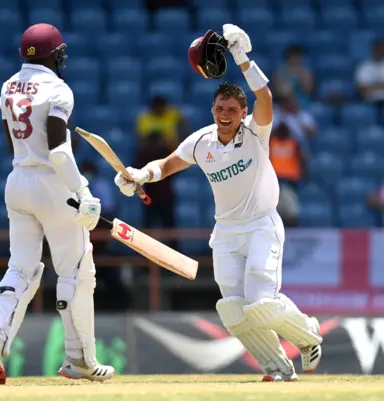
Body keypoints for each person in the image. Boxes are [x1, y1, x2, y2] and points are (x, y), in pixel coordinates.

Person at [114, 24, 322, 382]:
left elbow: (267, 98)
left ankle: (308, 336)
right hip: (225, 232)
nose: (224, 114)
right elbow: (166, 165)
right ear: (212, 110)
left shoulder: (256, 133)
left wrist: (241, 57)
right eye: (219, 108)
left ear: (243, 112)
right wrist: (139, 176)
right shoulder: (202, 142)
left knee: (262, 303)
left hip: (261, 225)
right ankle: (277, 369)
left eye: (231, 109)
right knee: (232, 311)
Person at [0, 23, 114, 385]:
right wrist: (83, 191)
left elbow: (11, 144)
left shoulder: (7, 86)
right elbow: (59, 151)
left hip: (17, 179)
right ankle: (79, 358)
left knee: (22, 268)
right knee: (76, 272)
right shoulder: (58, 89)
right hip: (53, 186)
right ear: (56, 54)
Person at [269, 123, 307, 227]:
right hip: (274, 182)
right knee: (275, 213)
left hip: (290, 181)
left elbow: (303, 159)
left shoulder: (294, 144)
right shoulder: (271, 143)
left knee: (291, 213)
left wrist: (302, 175)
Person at [355, 40, 384, 111]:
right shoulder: (364, 66)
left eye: (382, 50)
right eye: (378, 50)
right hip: (370, 101)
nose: (380, 52)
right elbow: (362, 88)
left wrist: (372, 86)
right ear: (373, 51)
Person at [272, 44, 313, 109]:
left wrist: (300, 77)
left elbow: (308, 90)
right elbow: (278, 91)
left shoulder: (306, 72)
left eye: (298, 57)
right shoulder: (280, 73)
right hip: (282, 104)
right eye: (294, 57)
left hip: (303, 104)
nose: (296, 59)